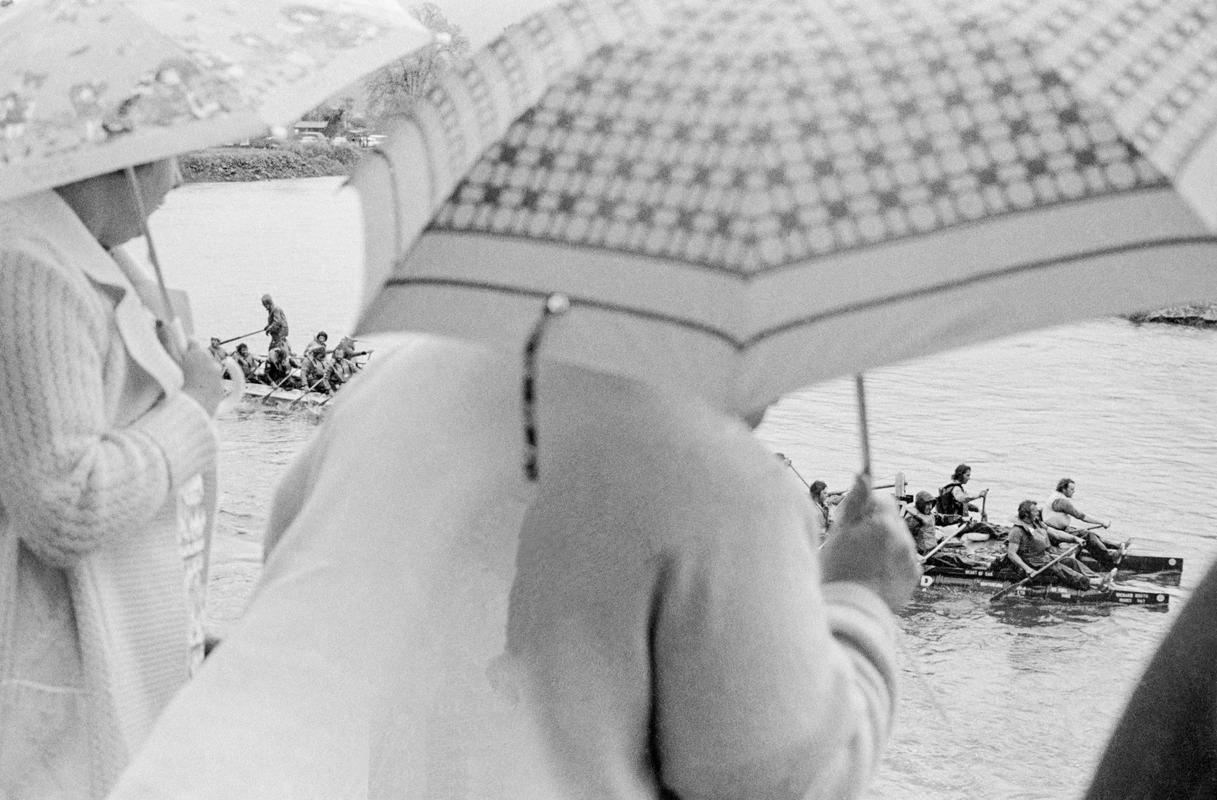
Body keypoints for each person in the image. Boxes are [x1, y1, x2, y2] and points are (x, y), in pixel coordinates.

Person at [109, 337, 919, 799]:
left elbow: (287, 566)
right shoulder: (725, 481)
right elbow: (777, 780)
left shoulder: (394, 379)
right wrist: (857, 597)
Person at [0, 159, 223, 798]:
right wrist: (194, 412)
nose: (176, 179)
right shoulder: (29, 267)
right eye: (168, 157)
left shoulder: (95, 259)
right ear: (118, 155)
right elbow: (63, 501)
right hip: (58, 699)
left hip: (113, 663)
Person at [1005, 500, 1109, 591]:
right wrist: (1027, 569)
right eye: (1034, 511)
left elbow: (1056, 534)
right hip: (1030, 563)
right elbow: (1011, 553)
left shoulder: (1037, 523)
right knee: (1056, 567)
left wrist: (1074, 538)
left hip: (1043, 557)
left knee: (1070, 561)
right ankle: (1089, 582)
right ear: (1026, 514)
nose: (1038, 512)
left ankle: (1096, 578)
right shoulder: (1017, 531)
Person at [1043, 477, 1124, 569]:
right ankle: (1110, 559)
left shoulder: (1056, 496)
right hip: (1054, 533)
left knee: (1086, 532)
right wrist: (1102, 522)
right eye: (1071, 489)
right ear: (1064, 489)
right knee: (1088, 536)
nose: (1074, 491)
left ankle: (1116, 546)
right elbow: (1081, 516)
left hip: (1058, 529)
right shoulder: (1061, 501)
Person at [936, 463, 1000, 538]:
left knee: (986, 525)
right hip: (955, 525)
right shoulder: (956, 488)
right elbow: (963, 499)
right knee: (986, 528)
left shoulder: (949, 488)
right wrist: (978, 495)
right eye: (967, 475)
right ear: (960, 475)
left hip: (950, 522)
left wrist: (978, 509)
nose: (969, 478)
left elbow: (962, 504)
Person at [808, 479, 844, 543]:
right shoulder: (816, 513)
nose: (826, 495)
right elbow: (820, 533)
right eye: (824, 493)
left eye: (826, 492)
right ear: (817, 495)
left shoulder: (820, 503)